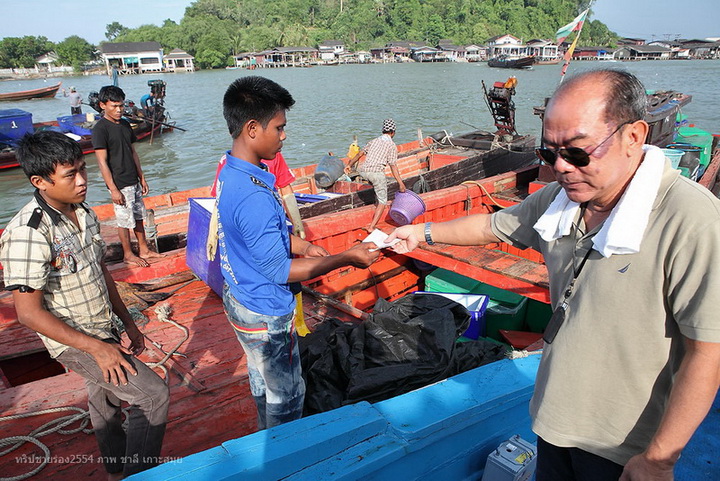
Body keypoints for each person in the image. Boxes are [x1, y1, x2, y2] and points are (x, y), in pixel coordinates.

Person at [386, 69, 720, 480]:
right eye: (549, 154)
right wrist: (422, 232)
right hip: (553, 417)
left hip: (621, 441)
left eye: (578, 152)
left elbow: (708, 350)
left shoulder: (690, 218)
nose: (561, 167)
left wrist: (660, 458)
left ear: (634, 136)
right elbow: (492, 227)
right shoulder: (561, 201)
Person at [0, 131, 169, 481]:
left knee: (104, 399)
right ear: (39, 182)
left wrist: (128, 323)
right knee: (152, 396)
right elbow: (28, 313)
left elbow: (101, 272)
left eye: (82, 170)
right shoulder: (28, 232)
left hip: (101, 325)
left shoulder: (85, 212)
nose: (81, 181)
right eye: (69, 175)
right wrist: (99, 350)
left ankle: (116, 469)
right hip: (73, 340)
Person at [216, 76, 379, 430]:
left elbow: (261, 235)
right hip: (265, 310)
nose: (284, 135)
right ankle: (282, 454)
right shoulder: (254, 194)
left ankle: (264, 433)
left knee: (261, 378)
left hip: (239, 296)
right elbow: (278, 270)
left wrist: (302, 245)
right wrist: (345, 257)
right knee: (287, 395)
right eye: (280, 127)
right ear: (253, 128)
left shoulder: (233, 171)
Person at [92, 85, 163, 267]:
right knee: (124, 220)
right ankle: (128, 254)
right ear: (102, 105)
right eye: (114, 106)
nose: (119, 110)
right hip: (119, 182)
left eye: (121, 106)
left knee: (138, 215)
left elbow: (133, 152)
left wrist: (142, 177)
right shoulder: (101, 129)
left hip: (133, 179)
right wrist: (113, 189)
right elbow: (102, 161)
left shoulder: (124, 124)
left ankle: (144, 249)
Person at [345, 119, 407, 231]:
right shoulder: (391, 145)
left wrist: (349, 165)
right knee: (383, 201)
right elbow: (393, 166)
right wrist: (401, 183)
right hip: (375, 173)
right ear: (393, 132)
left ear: (383, 130)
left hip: (363, 171)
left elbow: (359, 154)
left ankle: (375, 199)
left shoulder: (374, 141)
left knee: (376, 185)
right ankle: (372, 227)